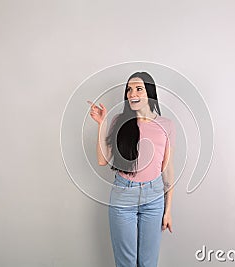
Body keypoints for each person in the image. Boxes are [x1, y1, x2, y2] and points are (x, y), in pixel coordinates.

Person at [88, 71, 175, 267]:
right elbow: (102, 160)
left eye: (138, 89)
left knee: (148, 263)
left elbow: (168, 171)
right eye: (129, 90)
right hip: (123, 195)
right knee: (126, 263)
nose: (132, 94)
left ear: (149, 92)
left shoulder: (166, 125)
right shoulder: (120, 121)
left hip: (154, 198)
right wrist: (102, 124)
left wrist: (168, 210)